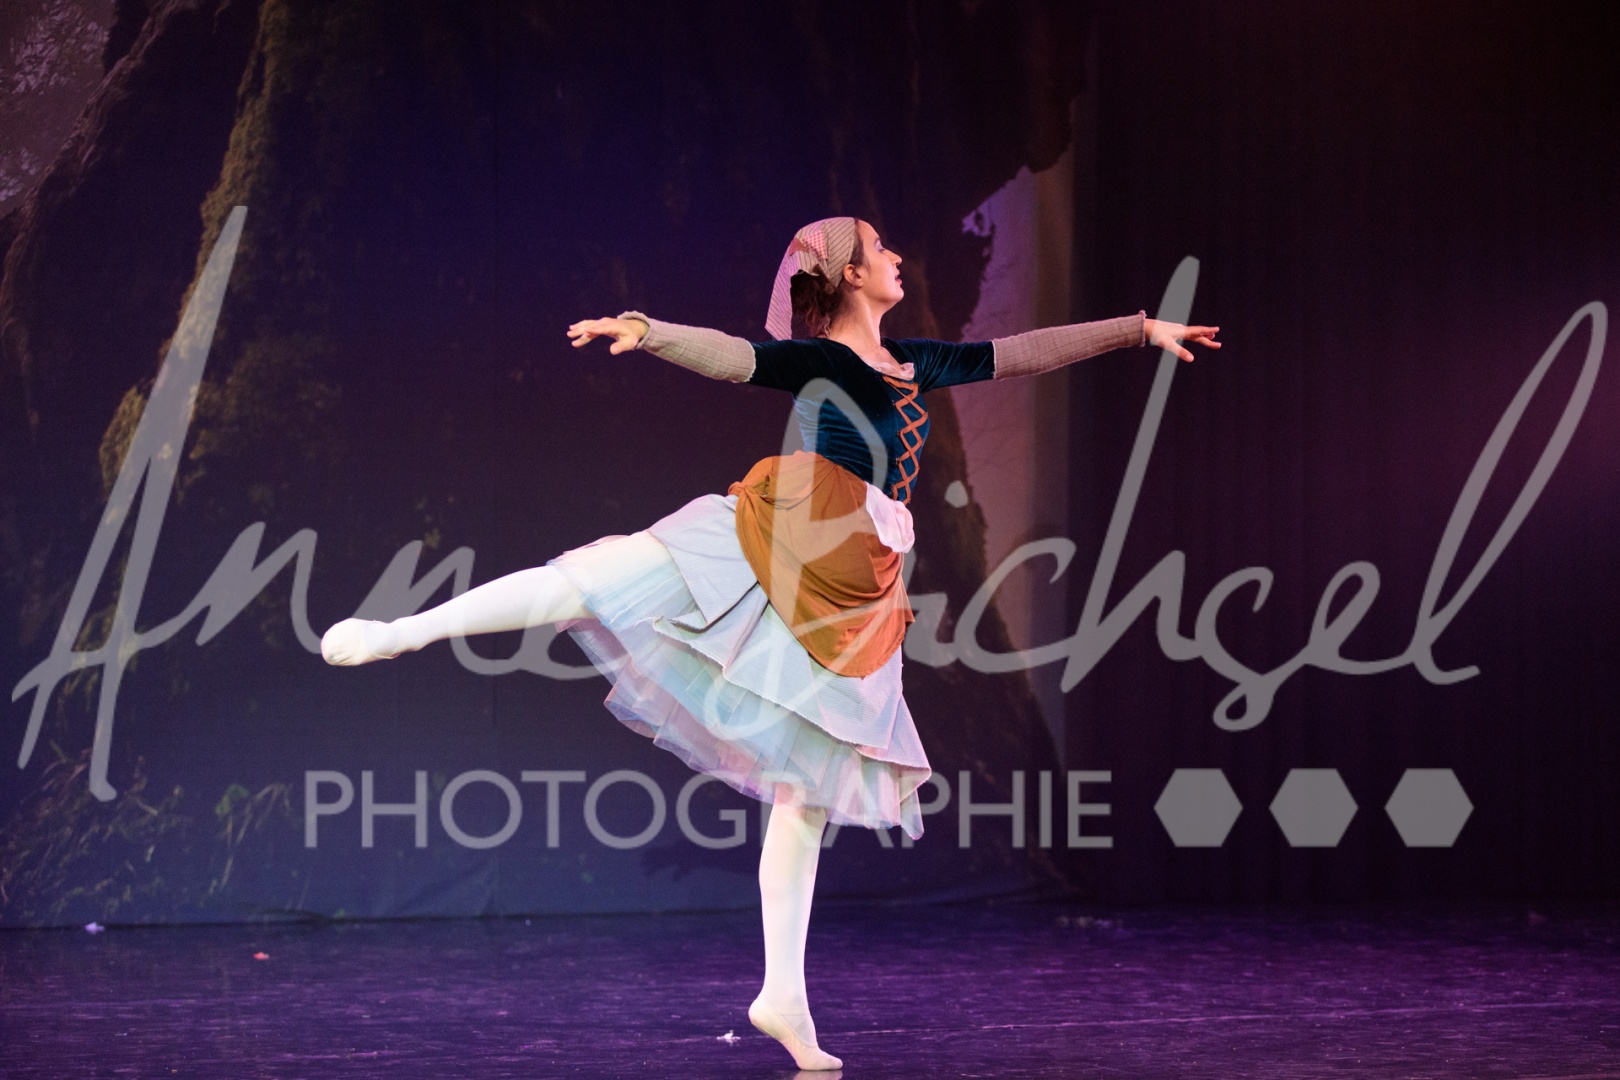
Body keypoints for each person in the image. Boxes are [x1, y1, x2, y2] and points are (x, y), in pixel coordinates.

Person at [320, 216, 1219, 1070]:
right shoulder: (821, 358)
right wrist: (649, 330)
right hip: (790, 528)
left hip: (858, 580)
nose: (896, 257)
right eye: (879, 247)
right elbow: (736, 357)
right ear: (851, 274)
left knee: (808, 789)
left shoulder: (916, 359)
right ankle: (405, 631)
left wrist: (1139, 330)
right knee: (598, 577)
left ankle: (782, 996)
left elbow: (1021, 352)